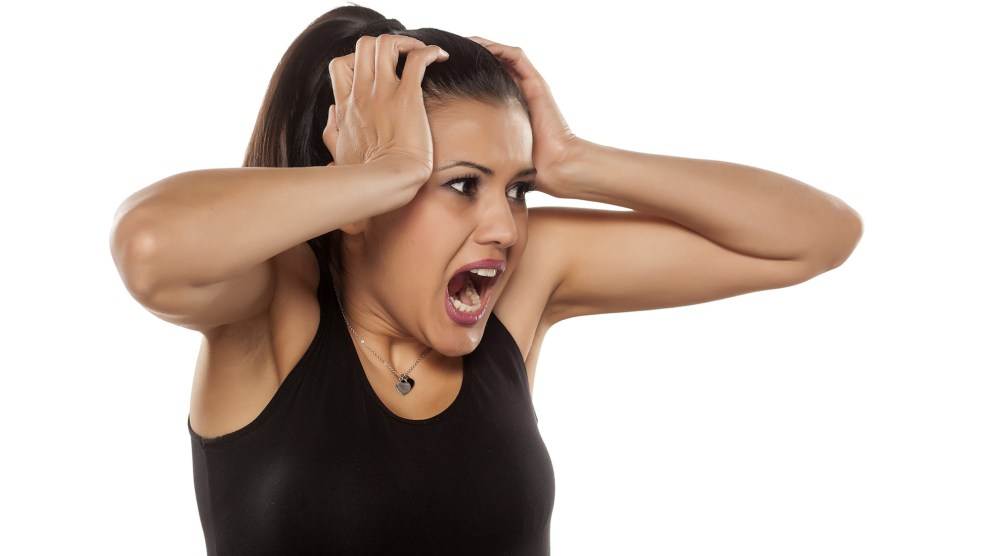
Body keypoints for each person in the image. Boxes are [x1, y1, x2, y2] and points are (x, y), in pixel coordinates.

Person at [109, 5, 862, 555]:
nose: (505, 226)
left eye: (518, 188)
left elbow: (815, 236)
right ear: (356, 199)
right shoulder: (271, 312)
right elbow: (148, 245)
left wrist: (576, 161)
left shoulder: (525, 284)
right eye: (463, 184)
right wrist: (385, 174)